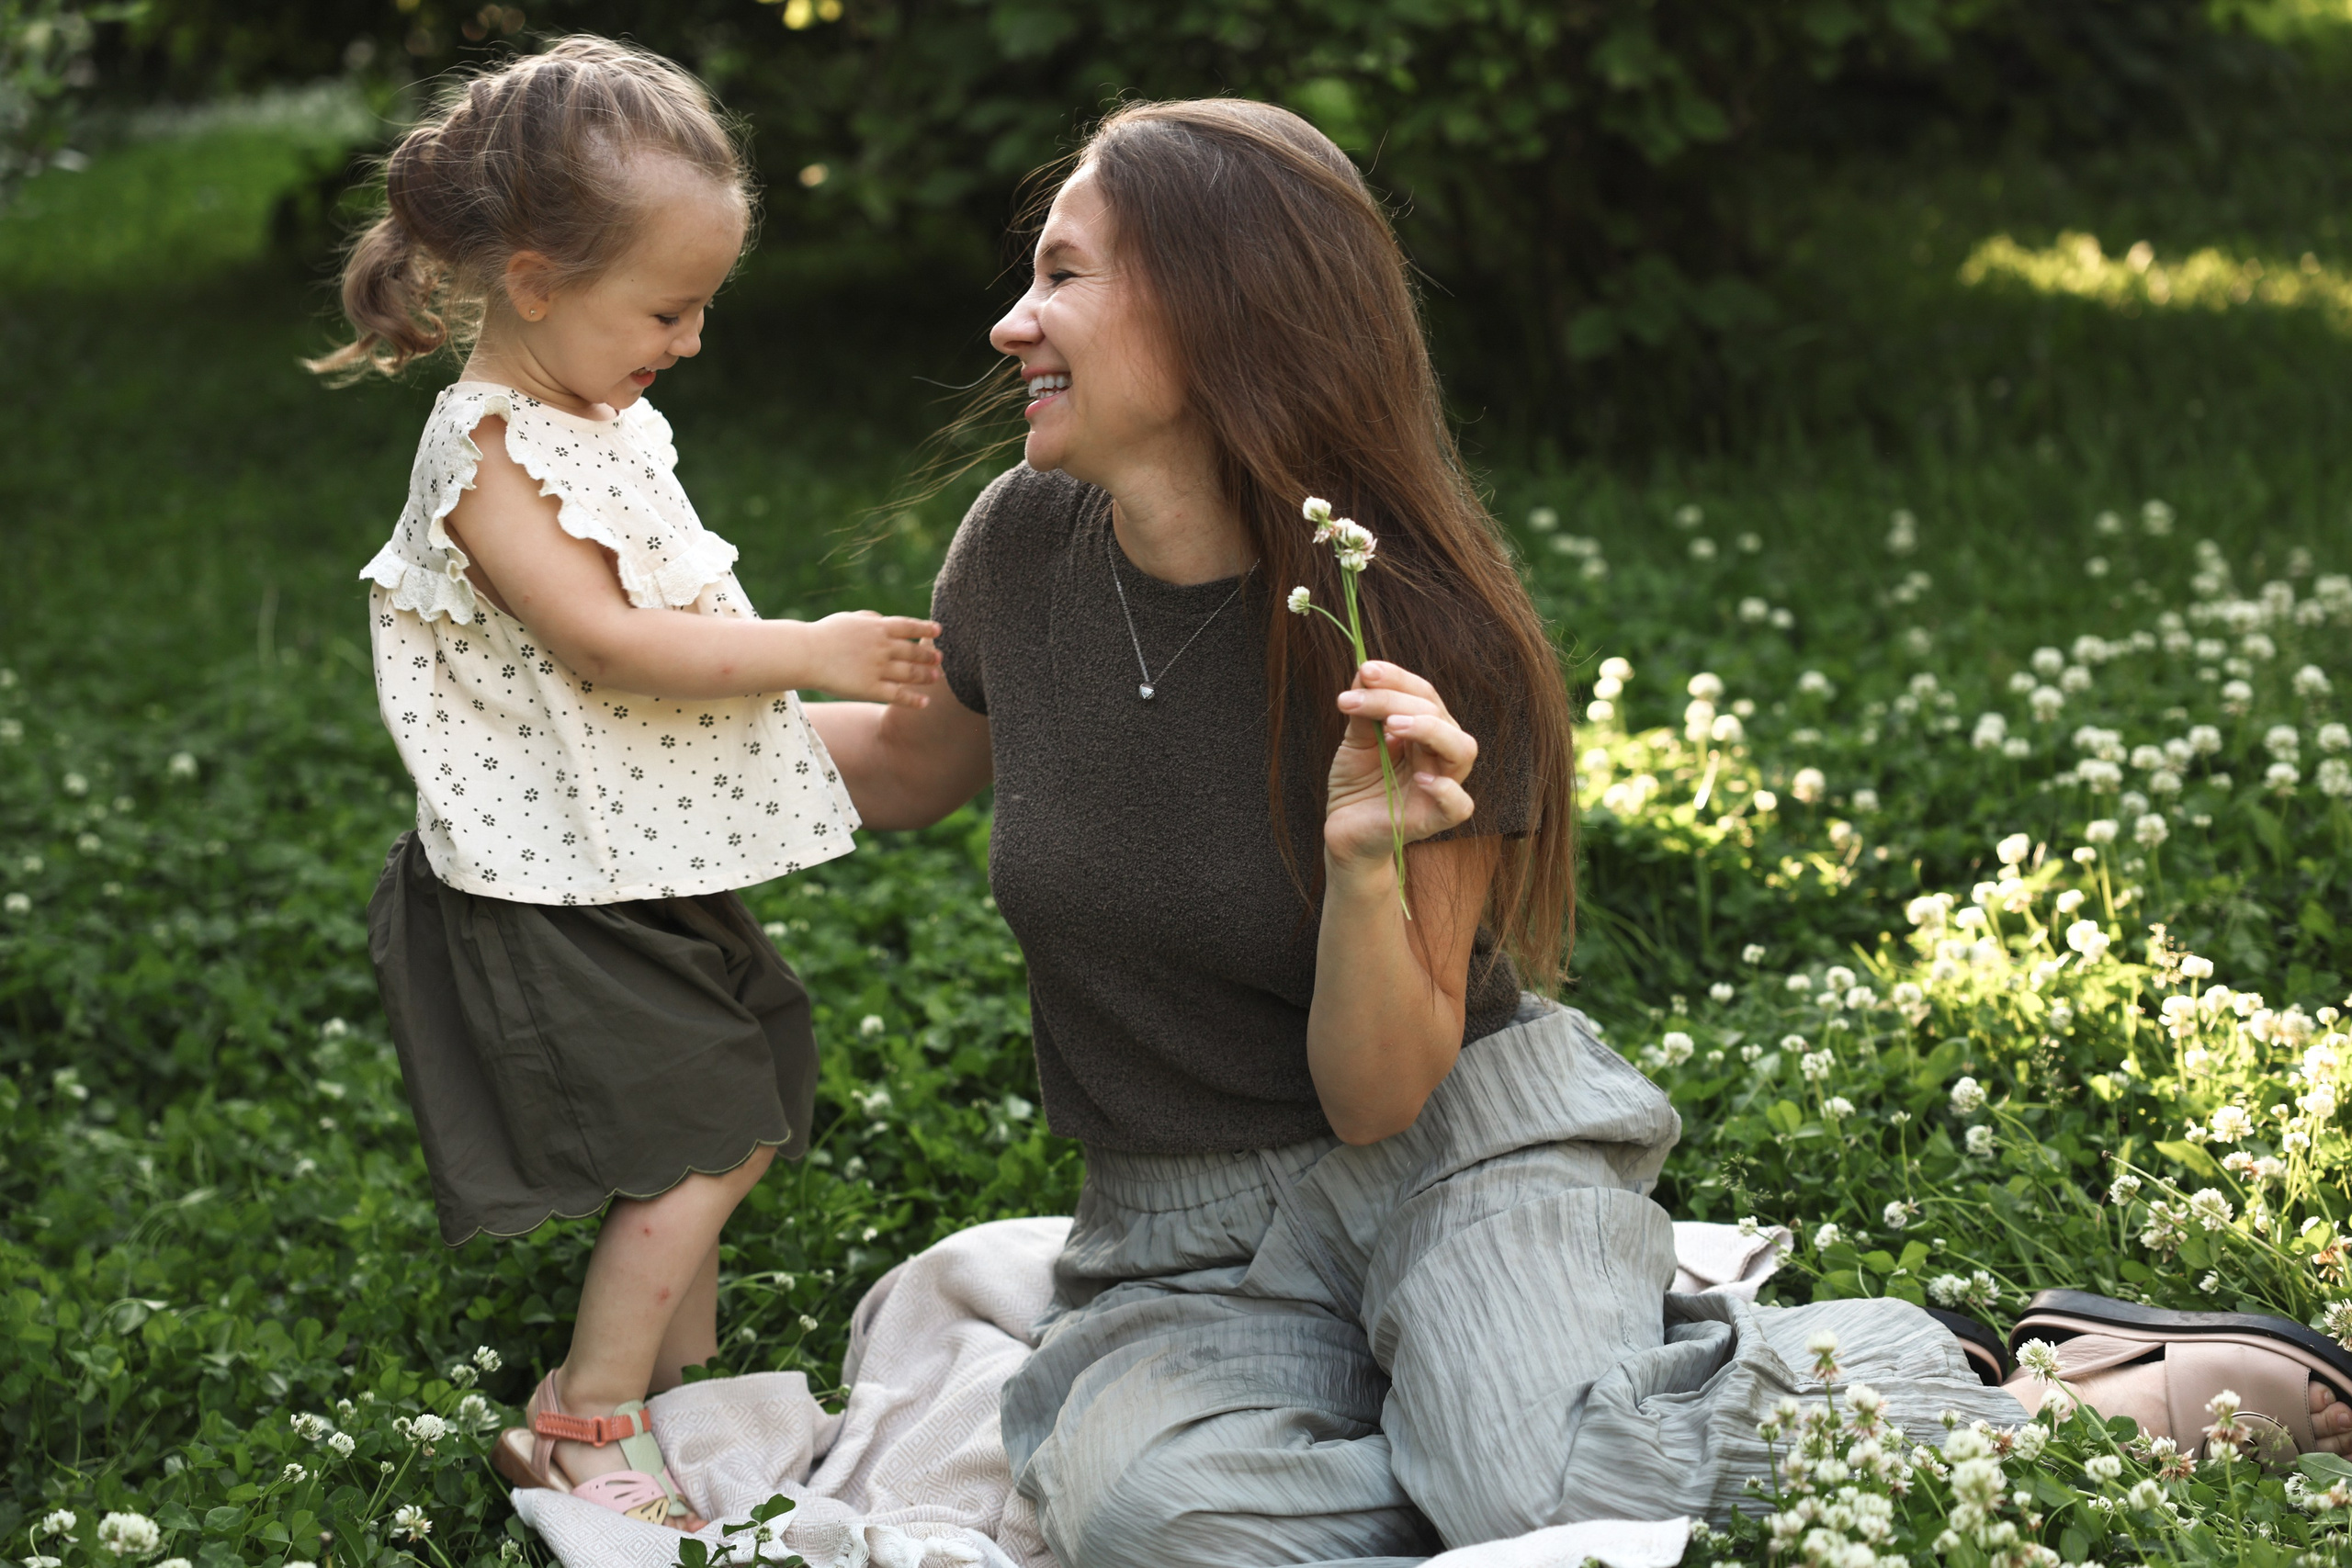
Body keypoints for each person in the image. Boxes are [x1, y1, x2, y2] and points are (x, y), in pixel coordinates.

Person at [807, 96, 2352, 1566]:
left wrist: (1363, 869)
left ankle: (2037, 1386)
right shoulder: (1021, 547)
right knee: (1169, 1529)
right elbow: (901, 765)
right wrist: (600, 719)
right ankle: (1542, 1410)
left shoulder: (1416, 637)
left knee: (1527, 1479)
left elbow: (1376, 1094)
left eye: (1062, 277)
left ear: (1221, 317)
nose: (1013, 323)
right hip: (1180, 1233)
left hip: (1450, 1150)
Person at [311, 37, 943, 1530]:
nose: (695, 339)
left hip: (624, 861)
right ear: (533, 281)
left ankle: (669, 1379)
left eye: (703, 303)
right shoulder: (482, 451)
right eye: (668, 306)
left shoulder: (599, 419)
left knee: (741, 1081)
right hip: (542, 886)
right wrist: (815, 653)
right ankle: (585, 1421)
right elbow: (603, 642)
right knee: (708, 1128)